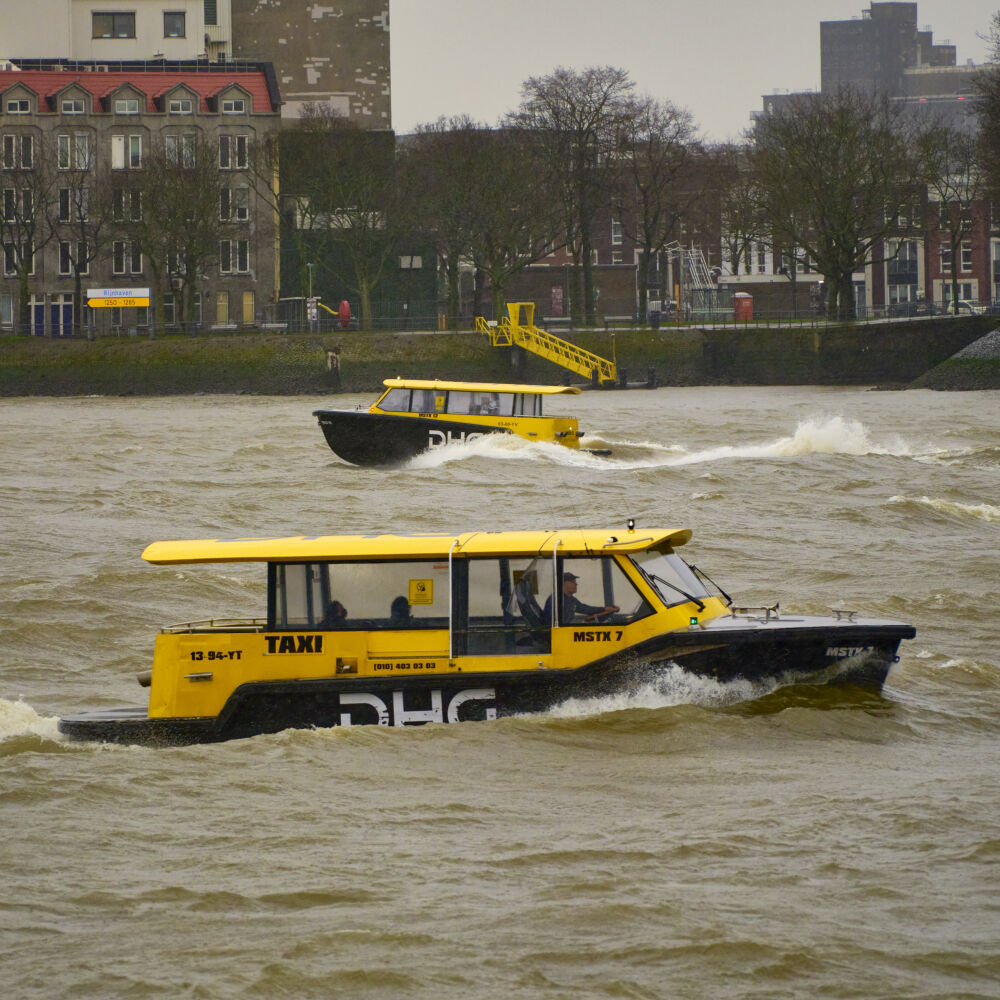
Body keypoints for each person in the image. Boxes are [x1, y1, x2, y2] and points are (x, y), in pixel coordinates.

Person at [543, 571, 619, 625]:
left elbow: (585, 608)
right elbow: (551, 623)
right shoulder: (556, 600)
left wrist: (605, 609)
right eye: (573, 582)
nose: (576, 584)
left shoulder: (570, 599)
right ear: (563, 583)